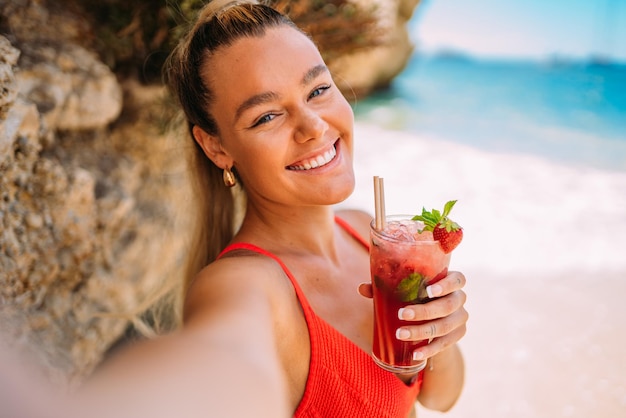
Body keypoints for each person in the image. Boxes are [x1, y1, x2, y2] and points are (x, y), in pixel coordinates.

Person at [1, 1, 467, 417]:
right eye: (267, 116)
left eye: (318, 90)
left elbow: (438, 399)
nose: (312, 127)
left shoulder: (367, 229)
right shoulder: (244, 285)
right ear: (217, 146)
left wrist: (440, 337)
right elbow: (224, 360)